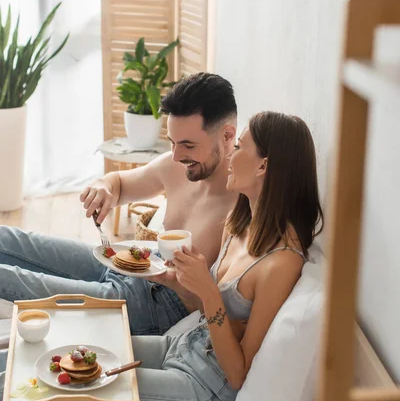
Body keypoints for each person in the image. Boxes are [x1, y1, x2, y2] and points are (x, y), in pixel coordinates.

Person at [113, 111, 323, 401]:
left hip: (209, 388)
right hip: (186, 346)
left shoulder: (283, 262)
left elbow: (238, 373)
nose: (229, 156)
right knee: (94, 348)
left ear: (263, 166)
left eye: (238, 147)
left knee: (97, 382)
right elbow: (211, 311)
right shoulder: (238, 223)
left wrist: (208, 291)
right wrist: (176, 281)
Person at [0, 73, 238, 335]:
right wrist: (105, 188)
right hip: (135, 263)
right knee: (9, 238)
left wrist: (177, 283)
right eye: (172, 142)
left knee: (13, 279)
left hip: (153, 305)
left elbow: (216, 308)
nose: (176, 155)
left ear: (228, 136)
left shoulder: (243, 204)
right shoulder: (176, 165)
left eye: (188, 145)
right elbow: (120, 183)